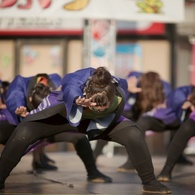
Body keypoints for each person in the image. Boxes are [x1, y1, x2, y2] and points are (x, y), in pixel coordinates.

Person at [0, 67, 171, 194]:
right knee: (24, 131)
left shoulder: (119, 87)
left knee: (133, 132)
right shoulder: (80, 80)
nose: (99, 107)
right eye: (96, 104)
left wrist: (100, 109)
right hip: (64, 113)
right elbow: (68, 83)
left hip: (97, 122)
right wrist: (76, 99)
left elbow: (123, 88)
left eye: (104, 105)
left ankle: (149, 181)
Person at [3, 74, 111, 183]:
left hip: (49, 123)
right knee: (18, 136)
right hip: (22, 124)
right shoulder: (20, 82)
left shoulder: (58, 83)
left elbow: (71, 91)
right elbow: (14, 96)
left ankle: (93, 172)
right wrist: (19, 107)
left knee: (79, 137)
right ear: (30, 97)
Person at [157, 85, 195, 182]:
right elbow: (177, 97)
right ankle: (167, 169)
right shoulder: (185, 90)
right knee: (186, 128)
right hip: (185, 118)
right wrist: (184, 102)